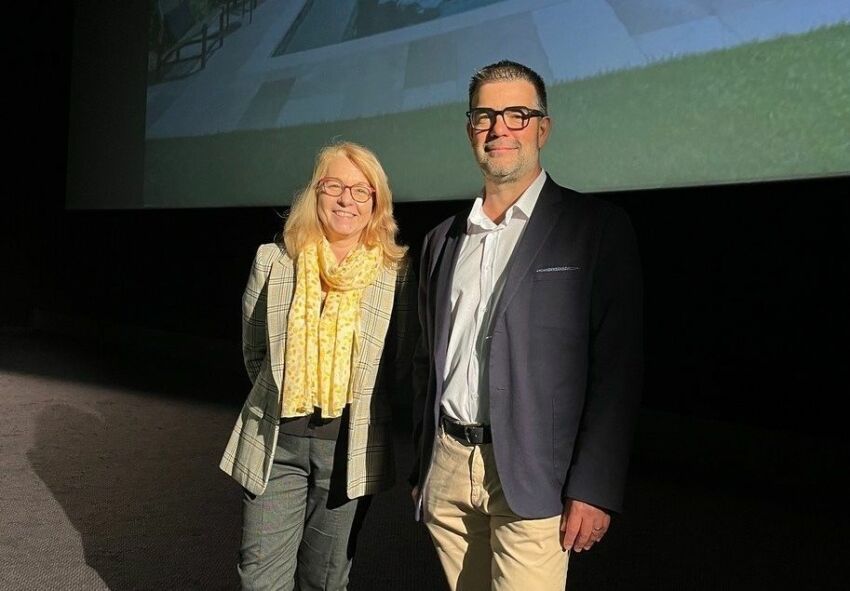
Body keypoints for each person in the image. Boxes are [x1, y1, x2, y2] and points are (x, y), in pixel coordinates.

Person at [410, 60, 643, 590]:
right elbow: (427, 359)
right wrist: (423, 466)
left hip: (538, 475)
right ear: (470, 129)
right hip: (447, 469)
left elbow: (618, 369)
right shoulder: (442, 240)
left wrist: (595, 485)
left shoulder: (597, 228)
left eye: (517, 114)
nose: (500, 129)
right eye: (485, 116)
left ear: (543, 127)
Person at [220, 141, 417, 591]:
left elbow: (401, 362)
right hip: (276, 444)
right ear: (315, 193)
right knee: (260, 579)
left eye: (361, 190)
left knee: (325, 580)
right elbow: (255, 351)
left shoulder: (397, 273)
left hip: (347, 449)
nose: (346, 199)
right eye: (334, 186)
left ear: (376, 203)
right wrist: (285, 396)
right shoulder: (273, 260)